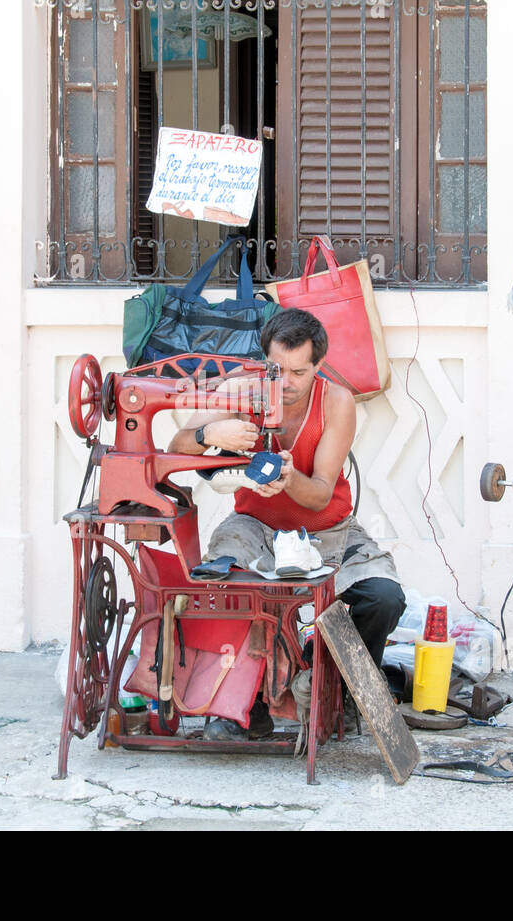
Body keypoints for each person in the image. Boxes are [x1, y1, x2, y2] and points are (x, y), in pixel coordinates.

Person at [169, 308, 405, 739]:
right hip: (255, 524)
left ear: (319, 366)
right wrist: (212, 435)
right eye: (277, 369)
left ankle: (341, 689)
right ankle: (243, 706)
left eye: (300, 371)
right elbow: (178, 446)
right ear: (264, 361)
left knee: (384, 598)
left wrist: (289, 478)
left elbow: (318, 494)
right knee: (221, 581)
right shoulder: (240, 390)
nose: (287, 382)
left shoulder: (337, 402)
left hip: (327, 530)